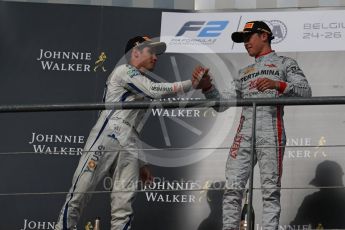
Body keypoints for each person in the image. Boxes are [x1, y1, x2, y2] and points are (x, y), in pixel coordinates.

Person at [55, 36, 203, 230]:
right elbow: (154, 90)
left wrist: (141, 162)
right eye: (151, 52)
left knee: (123, 207)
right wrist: (190, 83)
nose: (156, 57)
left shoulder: (140, 82)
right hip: (107, 136)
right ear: (135, 52)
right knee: (79, 193)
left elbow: (134, 127)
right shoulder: (124, 71)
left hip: (130, 144)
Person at [193, 21, 312, 229]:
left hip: (271, 130)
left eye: (248, 37)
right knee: (233, 189)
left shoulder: (285, 63)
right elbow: (221, 104)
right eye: (242, 40)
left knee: (270, 191)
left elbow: (305, 91)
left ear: (264, 36)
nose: (245, 43)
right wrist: (207, 87)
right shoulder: (244, 71)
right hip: (244, 133)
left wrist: (278, 84)